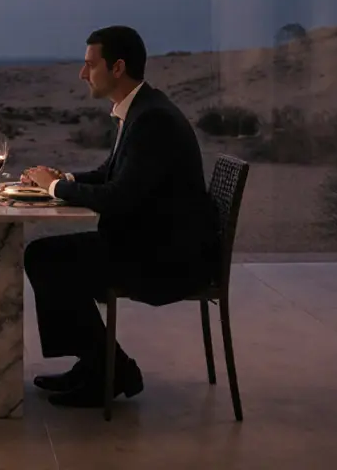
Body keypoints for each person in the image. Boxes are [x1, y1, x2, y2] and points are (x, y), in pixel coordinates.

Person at [20, 25, 220, 409]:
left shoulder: (152, 120)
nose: (82, 74)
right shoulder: (143, 109)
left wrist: (53, 189)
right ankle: (98, 363)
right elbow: (114, 174)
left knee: (46, 259)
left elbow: (118, 197)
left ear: (117, 68)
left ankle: (111, 369)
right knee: (45, 255)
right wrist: (66, 179)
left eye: (89, 64)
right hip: (151, 243)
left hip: (165, 260)